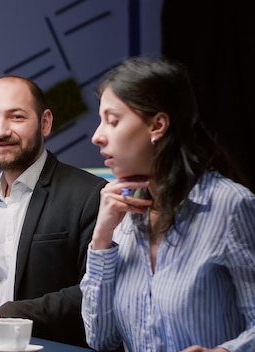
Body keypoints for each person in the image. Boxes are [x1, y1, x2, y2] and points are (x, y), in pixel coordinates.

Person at [80, 57, 255, 351]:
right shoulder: (121, 215)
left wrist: (224, 351)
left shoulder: (230, 204)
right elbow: (100, 339)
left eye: (113, 121)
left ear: (157, 125)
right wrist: (101, 240)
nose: (97, 136)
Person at [0, 75, 107, 347]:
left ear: (45, 123)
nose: (1, 131)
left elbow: (95, 293)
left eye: (16, 117)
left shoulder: (91, 195)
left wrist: (3, 316)